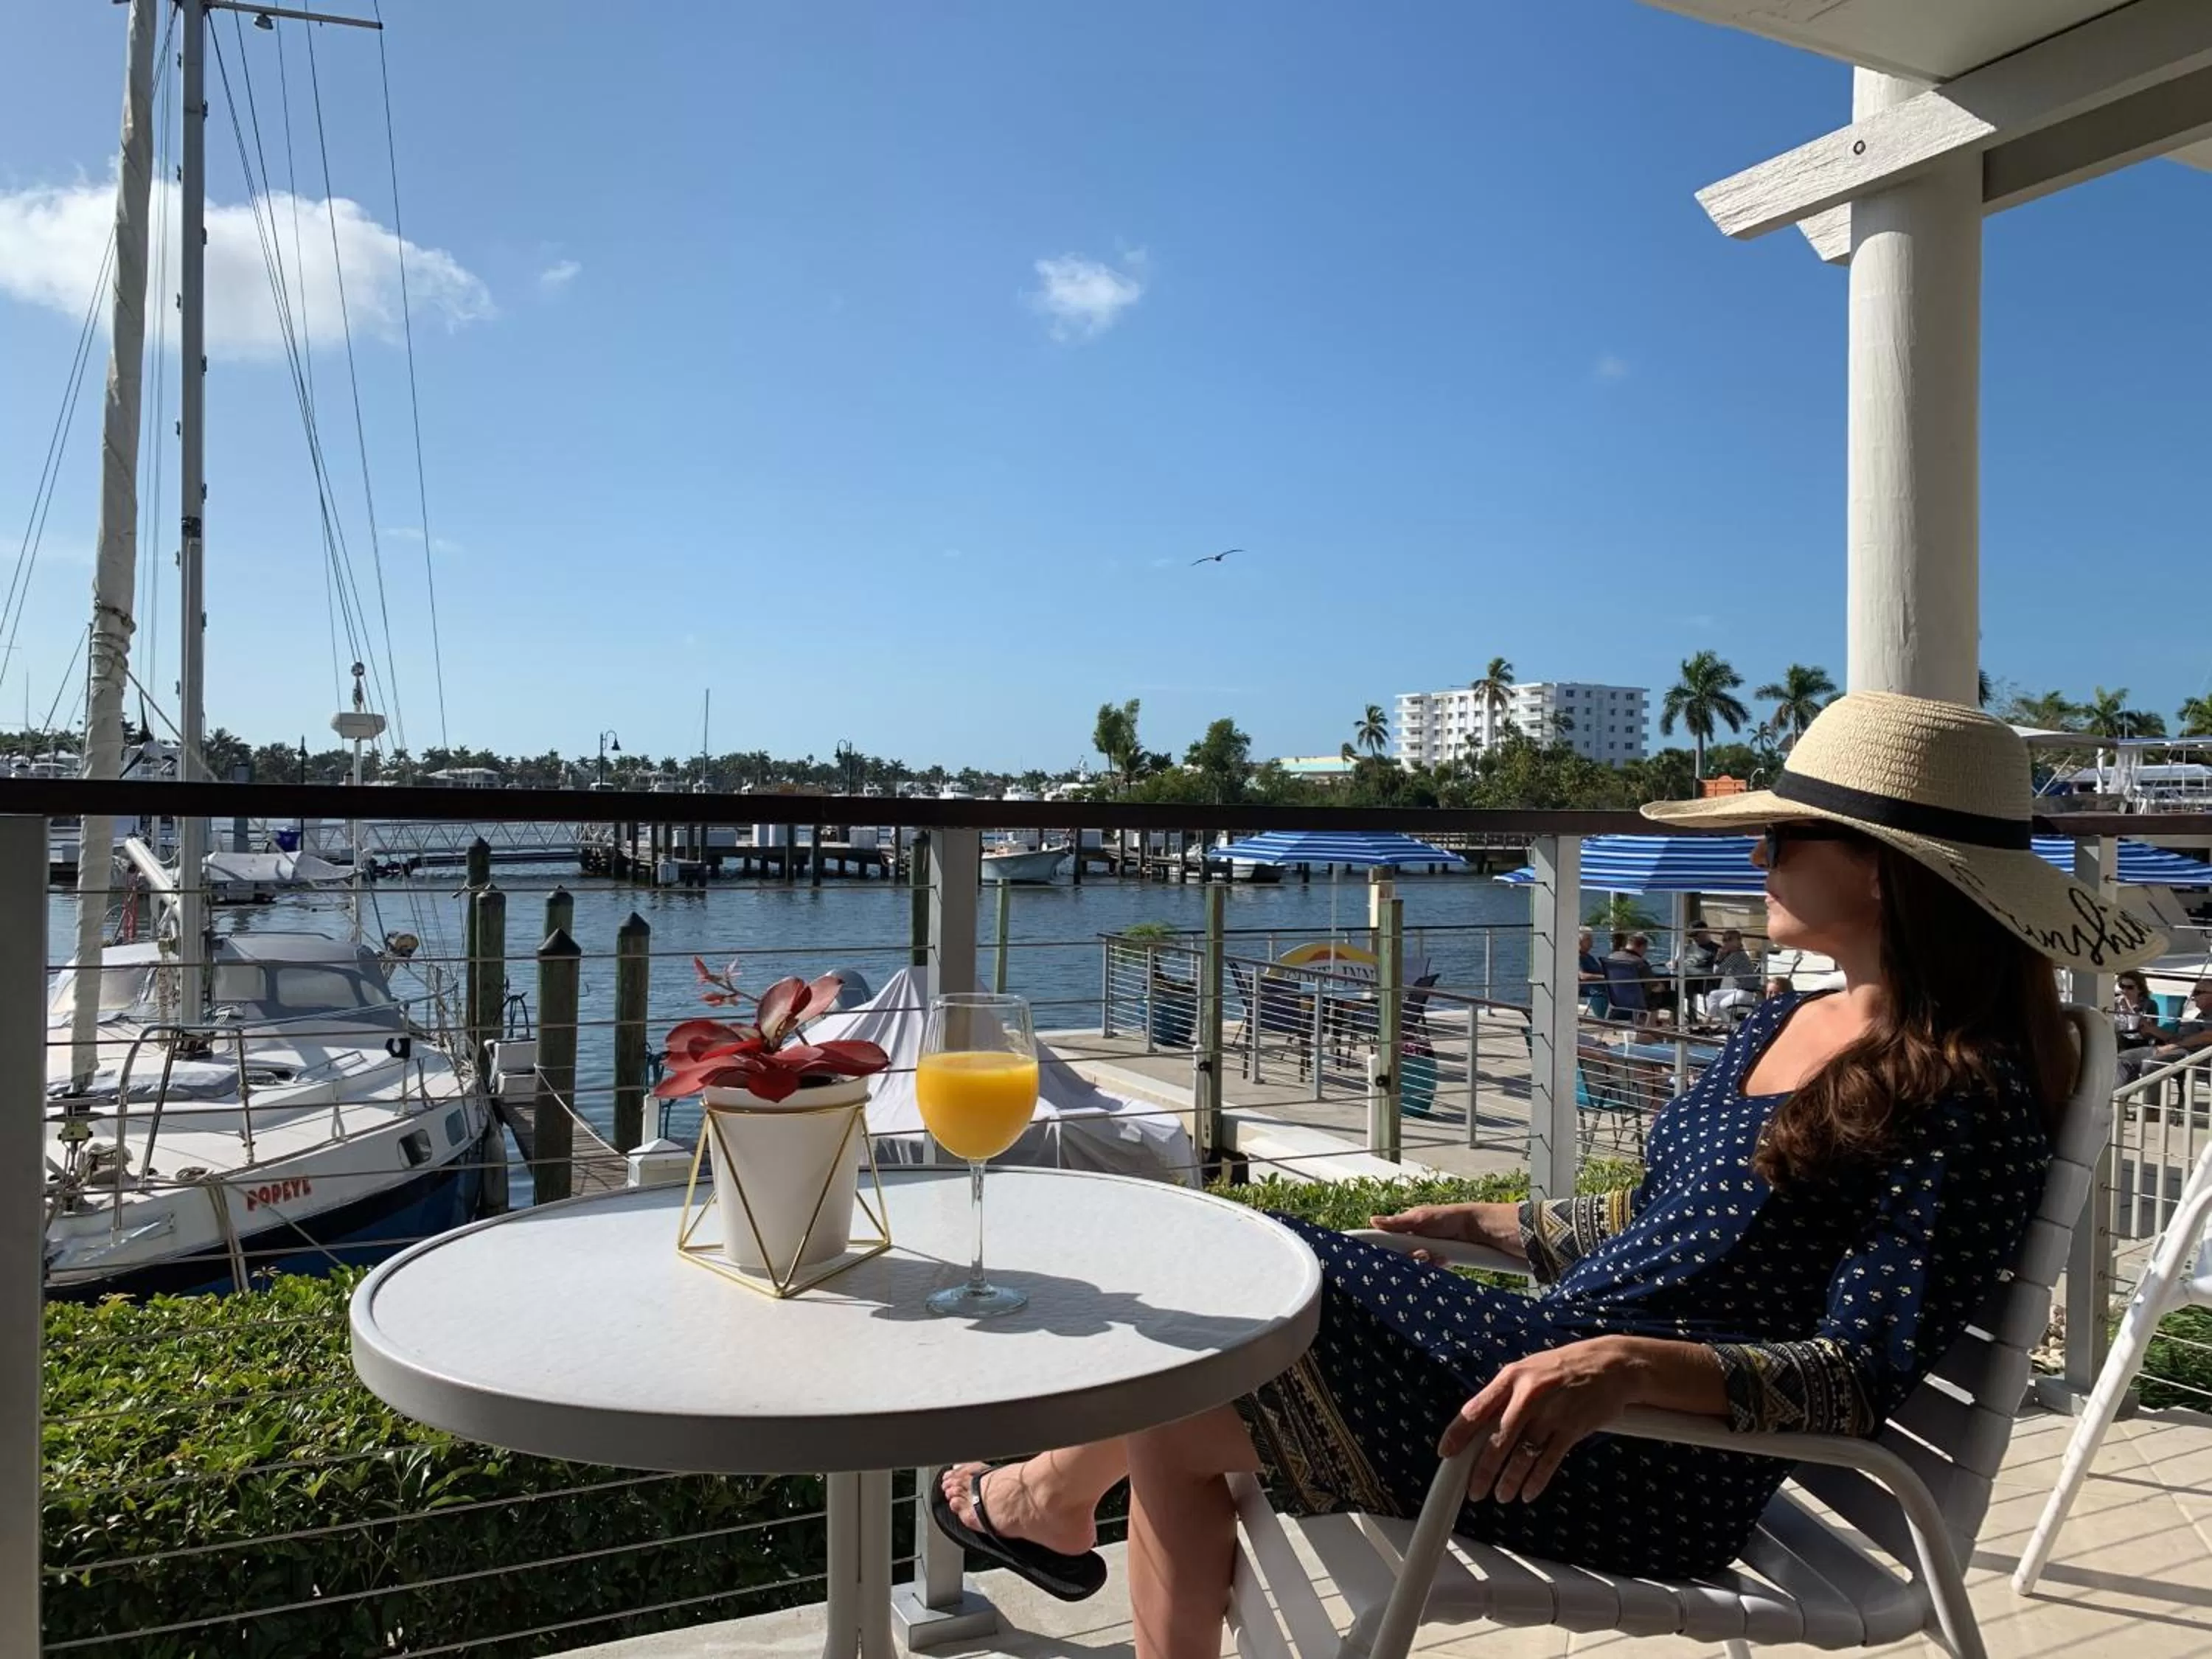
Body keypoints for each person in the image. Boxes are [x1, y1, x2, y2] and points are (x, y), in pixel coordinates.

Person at [928, 692, 2163, 1659]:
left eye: (1786, 833)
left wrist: (1629, 1363)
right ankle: (1044, 1501)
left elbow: (1859, 1378)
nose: (1762, 856)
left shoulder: (1967, 1092)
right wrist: (1496, 1220)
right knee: (1194, 1388)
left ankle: (1037, 1496)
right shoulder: (1788, 1026)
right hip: (1550, 1390)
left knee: (1269, 1268)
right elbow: (1682, 1222)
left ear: (1885, 867)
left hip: (1652, 1455)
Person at [2118, 977, 2212, 1083]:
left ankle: (2150, 1100)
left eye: (2198, 992)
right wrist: (2153, 1029)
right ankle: (2119, 1096)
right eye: (2194, 992)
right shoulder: (2202, 1015)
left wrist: (2172, 1046)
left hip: (2194, 1056)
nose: (2193, 997)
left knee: (2151, 1064)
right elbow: (2175, 1038)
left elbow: (2207, 1036)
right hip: (2177, 1049)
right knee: (2124, 1058)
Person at [1704, 928, 1763, 1020]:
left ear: (1739, 941)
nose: (1726, 942)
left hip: (1747, 993)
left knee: (1721, 1005)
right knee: (1713, 995)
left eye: (1730, 939)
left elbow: (1717, 971)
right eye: (1724, 940)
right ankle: (1707, 1023)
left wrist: (1719, 957)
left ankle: (1735, 1028)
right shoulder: (1736, 954)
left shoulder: (1736, 955)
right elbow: (1718, 971)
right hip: (1740, 990)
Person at [1601, 930, 1649, 1020]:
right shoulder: (1639, 962)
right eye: (1645, 949)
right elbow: (1653, 986)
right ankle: (1652, 1026)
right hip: (1637, 1001)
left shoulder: (1612, 957)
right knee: (1670, 996)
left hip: (1615, 998)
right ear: (1641, 947)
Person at [1577, 928, 1609, 1016]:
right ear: (1580, 941)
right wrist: (1605, 977)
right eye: (1588, 939)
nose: (1592, 942)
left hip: (1601, 987)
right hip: (1592, 990)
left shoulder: (1588, 956)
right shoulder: (1577, 956)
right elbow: (1582, 976)